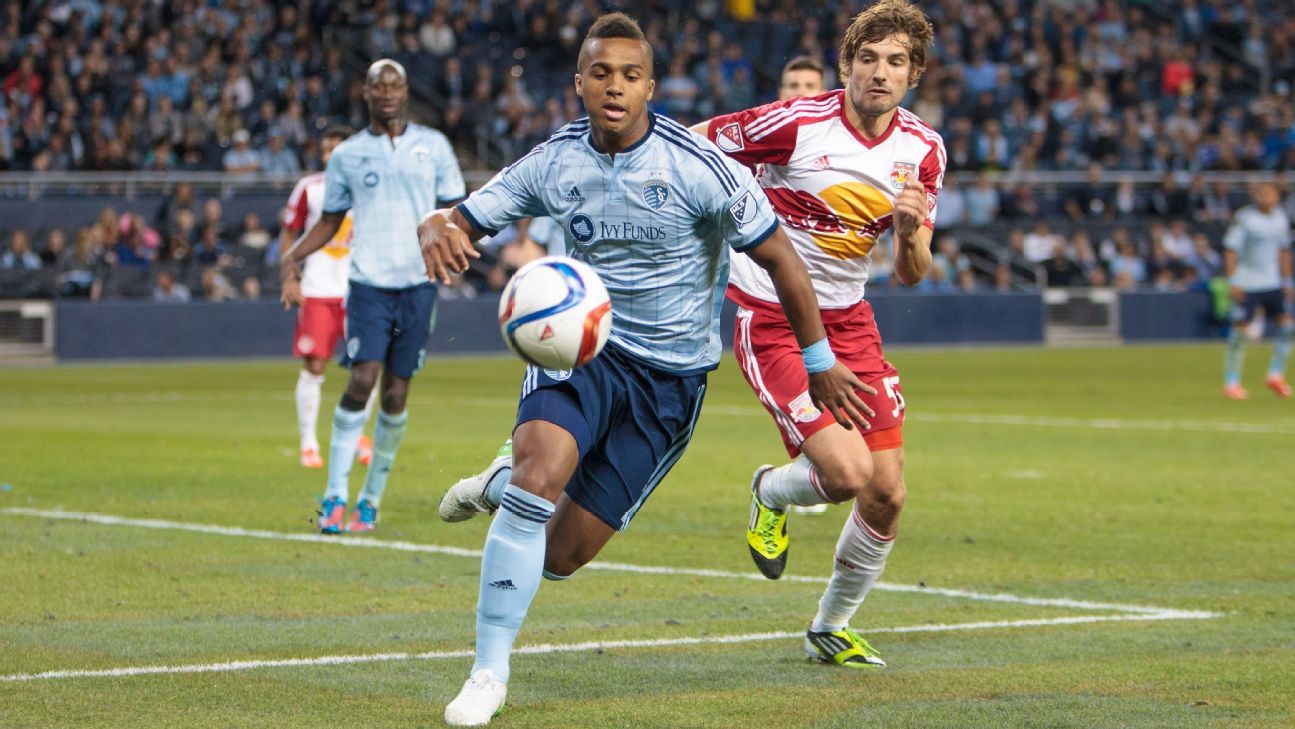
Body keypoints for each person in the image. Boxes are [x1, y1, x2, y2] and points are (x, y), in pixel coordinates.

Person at [419, 14, 867, 726]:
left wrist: (818, 362)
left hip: (669, 383)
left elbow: (781, 257)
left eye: (630, 75)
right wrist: (432, 225)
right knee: (541, 478)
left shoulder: (696, 167)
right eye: (600, 74)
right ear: (579, 83)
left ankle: (497, 483)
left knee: (561, 555)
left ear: (650, 86)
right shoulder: (554, 160)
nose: (614, 88)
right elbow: (462, 218)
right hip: (581, 354)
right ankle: (487, 670)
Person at [692, 0, 944, 670]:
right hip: (770, 315)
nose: (879, 73)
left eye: (894, 62)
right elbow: (692, 141)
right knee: (843, 473)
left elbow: (914, 272)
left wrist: (913, 228)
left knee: (885, 491)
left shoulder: (922, 149)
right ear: (846, 64)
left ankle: (828, 625)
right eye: (867, 59)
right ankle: (770, 490)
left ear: (913, 72)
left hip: (850, 318)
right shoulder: (797, 122)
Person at [279, 59, 465, 534]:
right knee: (361, 380)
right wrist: (292, 258)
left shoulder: (434, 147)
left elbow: (455, 213)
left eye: (395, 84)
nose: (387, 91)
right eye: (378, 85)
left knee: (397, 393)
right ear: (365, 93)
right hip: (367, 285)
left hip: (418, 284)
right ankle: (335, 497)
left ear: (405, 92)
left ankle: (371, 500)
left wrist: (457, 248)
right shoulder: (348, 155)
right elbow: (329, 221)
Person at [279, 125, 376, 470]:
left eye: (336, 149)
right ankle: (308, 442)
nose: (329, 156)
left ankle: (357, 435)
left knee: (368, 363)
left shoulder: (368, 187)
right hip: (318, 289)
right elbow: (289, 231)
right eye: (325, 150)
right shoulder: (310, 188)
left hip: (360, 289)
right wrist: (289, 274)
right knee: (314, 366)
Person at [1221, 180, 1293, 399]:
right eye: (1261, 193)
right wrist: (1233, 280)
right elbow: (1231, 250)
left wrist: (1287, 281)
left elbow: (1283, 251)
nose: (1265, 197)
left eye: (1269, 193)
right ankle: (1231, 382)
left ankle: (1275, 374)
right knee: (1239, 331)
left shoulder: (1281, 218)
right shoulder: (1246, 219)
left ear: (1277, 196)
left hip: (1273, 283)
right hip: (1248, 282)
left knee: (1287, 327)